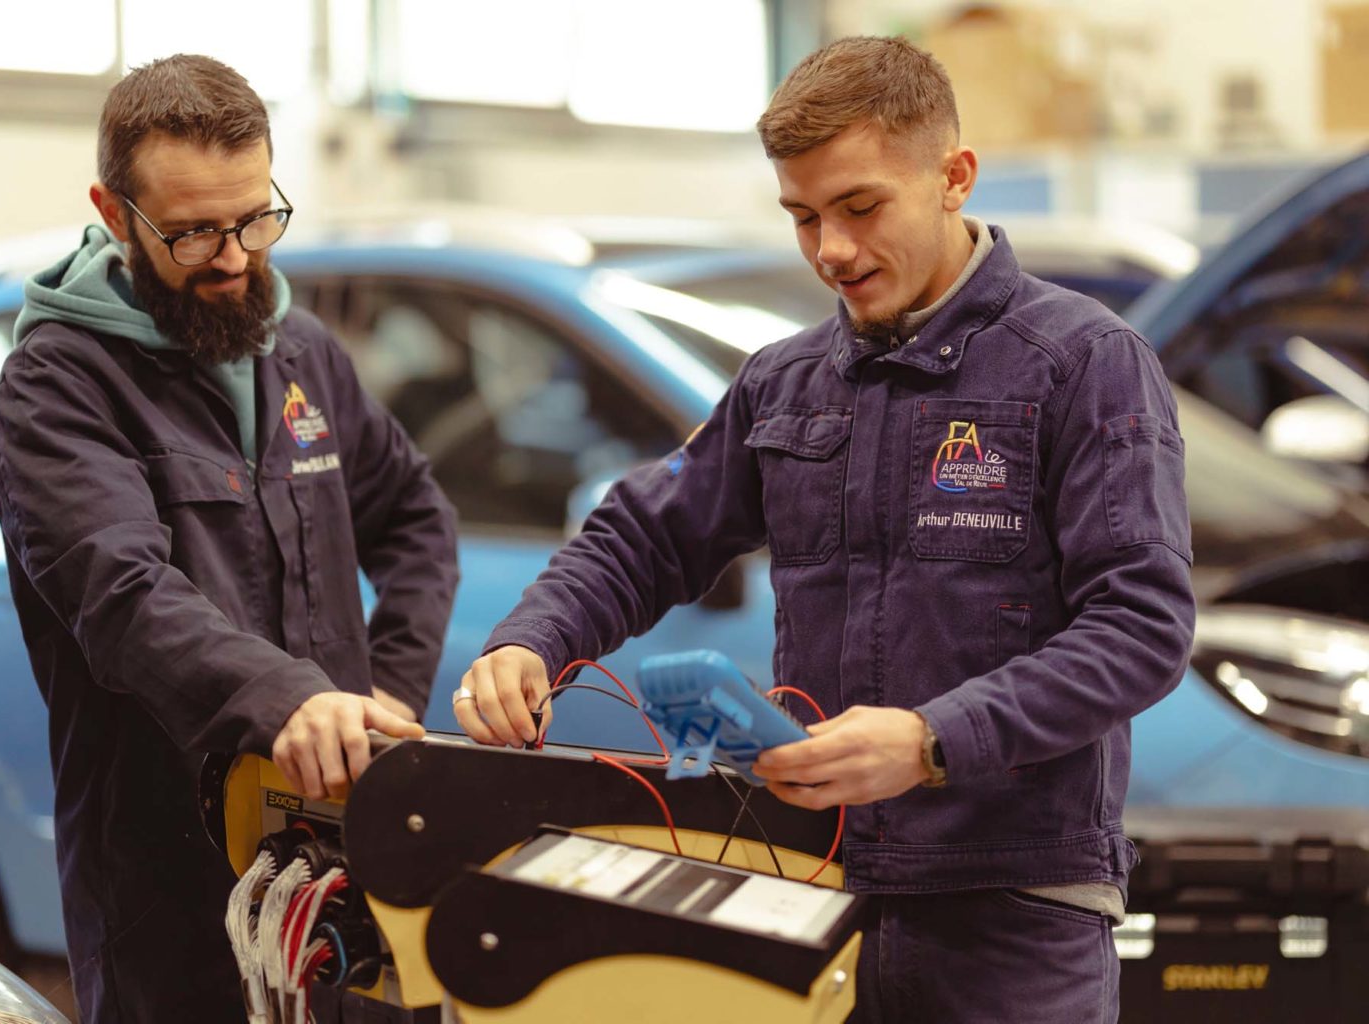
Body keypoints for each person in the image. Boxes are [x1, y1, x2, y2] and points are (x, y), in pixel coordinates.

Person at [457, 35, 1193, 1023]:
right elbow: (645, 536)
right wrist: (530, 638)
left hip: (1014, 911)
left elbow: (1141, 628)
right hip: (810, 891)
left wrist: (932, 741)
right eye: (802, 217)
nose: (831, 251)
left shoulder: (1083, 364)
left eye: (859, 207)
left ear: (954, 178)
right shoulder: (785, 381)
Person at [0, 55, 458, 1023]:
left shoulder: (303, 354)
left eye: (255, 218)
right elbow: (123, 594)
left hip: (339, 853)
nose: (238, 257)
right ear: (116, 213)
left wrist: (389, 690)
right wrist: (289, 698)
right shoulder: (59, 387)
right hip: (170, 883)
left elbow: (415, 517)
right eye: (196, 231)